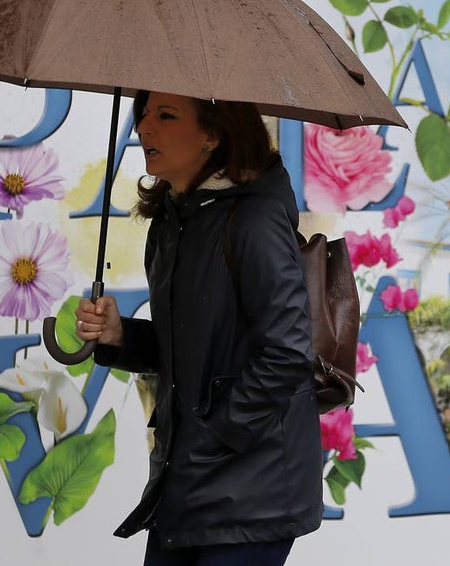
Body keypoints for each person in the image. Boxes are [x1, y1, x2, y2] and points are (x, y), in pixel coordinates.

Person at [74, 90, 322, 565]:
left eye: (166, 115)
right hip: (187, 482)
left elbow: (288, 354)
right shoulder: (173, 221)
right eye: (144, 112)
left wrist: (213, 433)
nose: (144, 126)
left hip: (252, 497)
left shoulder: (254, 219)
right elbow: (188, 349)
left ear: (213, 135)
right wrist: (120, 336)